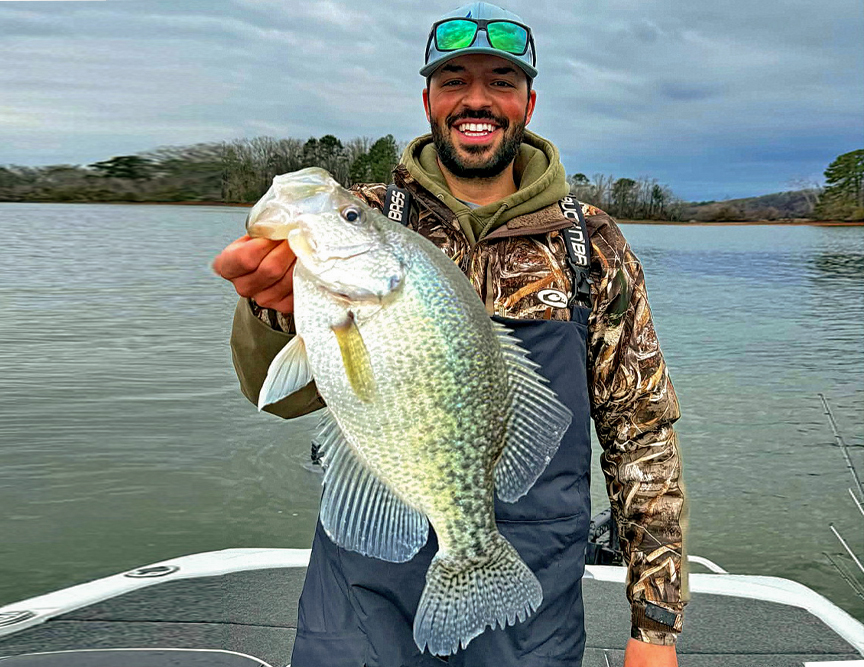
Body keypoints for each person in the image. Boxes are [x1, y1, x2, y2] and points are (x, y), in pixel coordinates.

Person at [212, 3, 688, 665]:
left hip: (532, 605)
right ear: (428, 98)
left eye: (501, 81)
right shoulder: (371, 216)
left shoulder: (591, 244)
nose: (477, 99)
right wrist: (267, 310)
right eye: (454, 80)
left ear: (528, 102)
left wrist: (654, 630)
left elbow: (641, 434)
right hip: (360, 599)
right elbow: (284, 395)